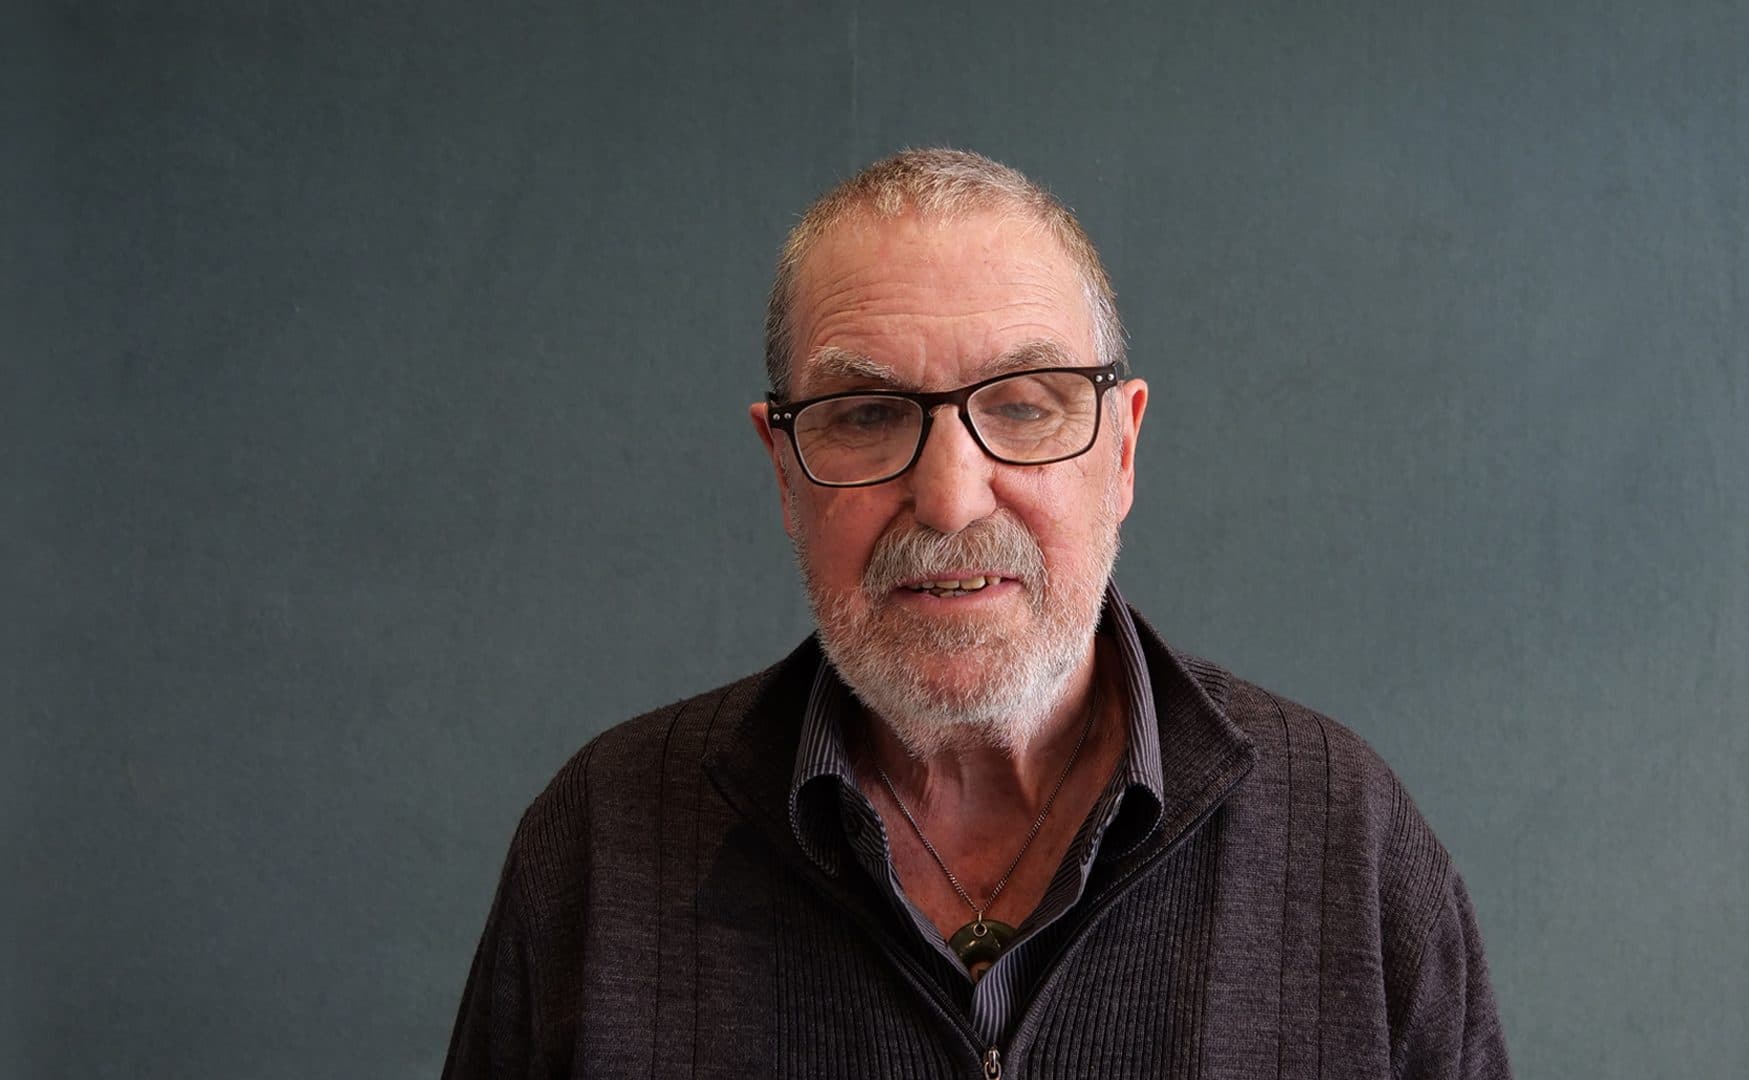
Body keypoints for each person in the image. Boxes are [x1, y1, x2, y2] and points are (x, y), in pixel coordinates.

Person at [442, 148, 1510, 1079]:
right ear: (782, 467)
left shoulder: (1346, 844)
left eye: (1023, 405)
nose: (951, 499)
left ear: (1122, 451)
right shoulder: (602, 847)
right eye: (867, 414)